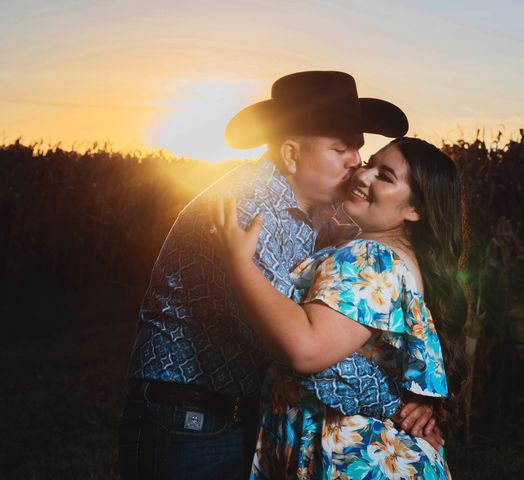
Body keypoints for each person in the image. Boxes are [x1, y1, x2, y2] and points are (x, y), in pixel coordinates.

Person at [119, 71, 442, 479]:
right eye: (341, 149)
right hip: (190, 418)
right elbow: (295, 346)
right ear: (291, 155)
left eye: (359, 149)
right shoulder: (250, 209)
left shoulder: (324, 214)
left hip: (241, 415)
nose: (356, 162)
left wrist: (416, 398)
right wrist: (396, 405)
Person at [210, 136, 461, 479]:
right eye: (370, 163)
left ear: (415, 209)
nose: (363, 175)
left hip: (352, 459)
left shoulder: (370, 258)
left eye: (385, 177)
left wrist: (239, 263)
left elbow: (306, 350)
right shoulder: (397, 258)